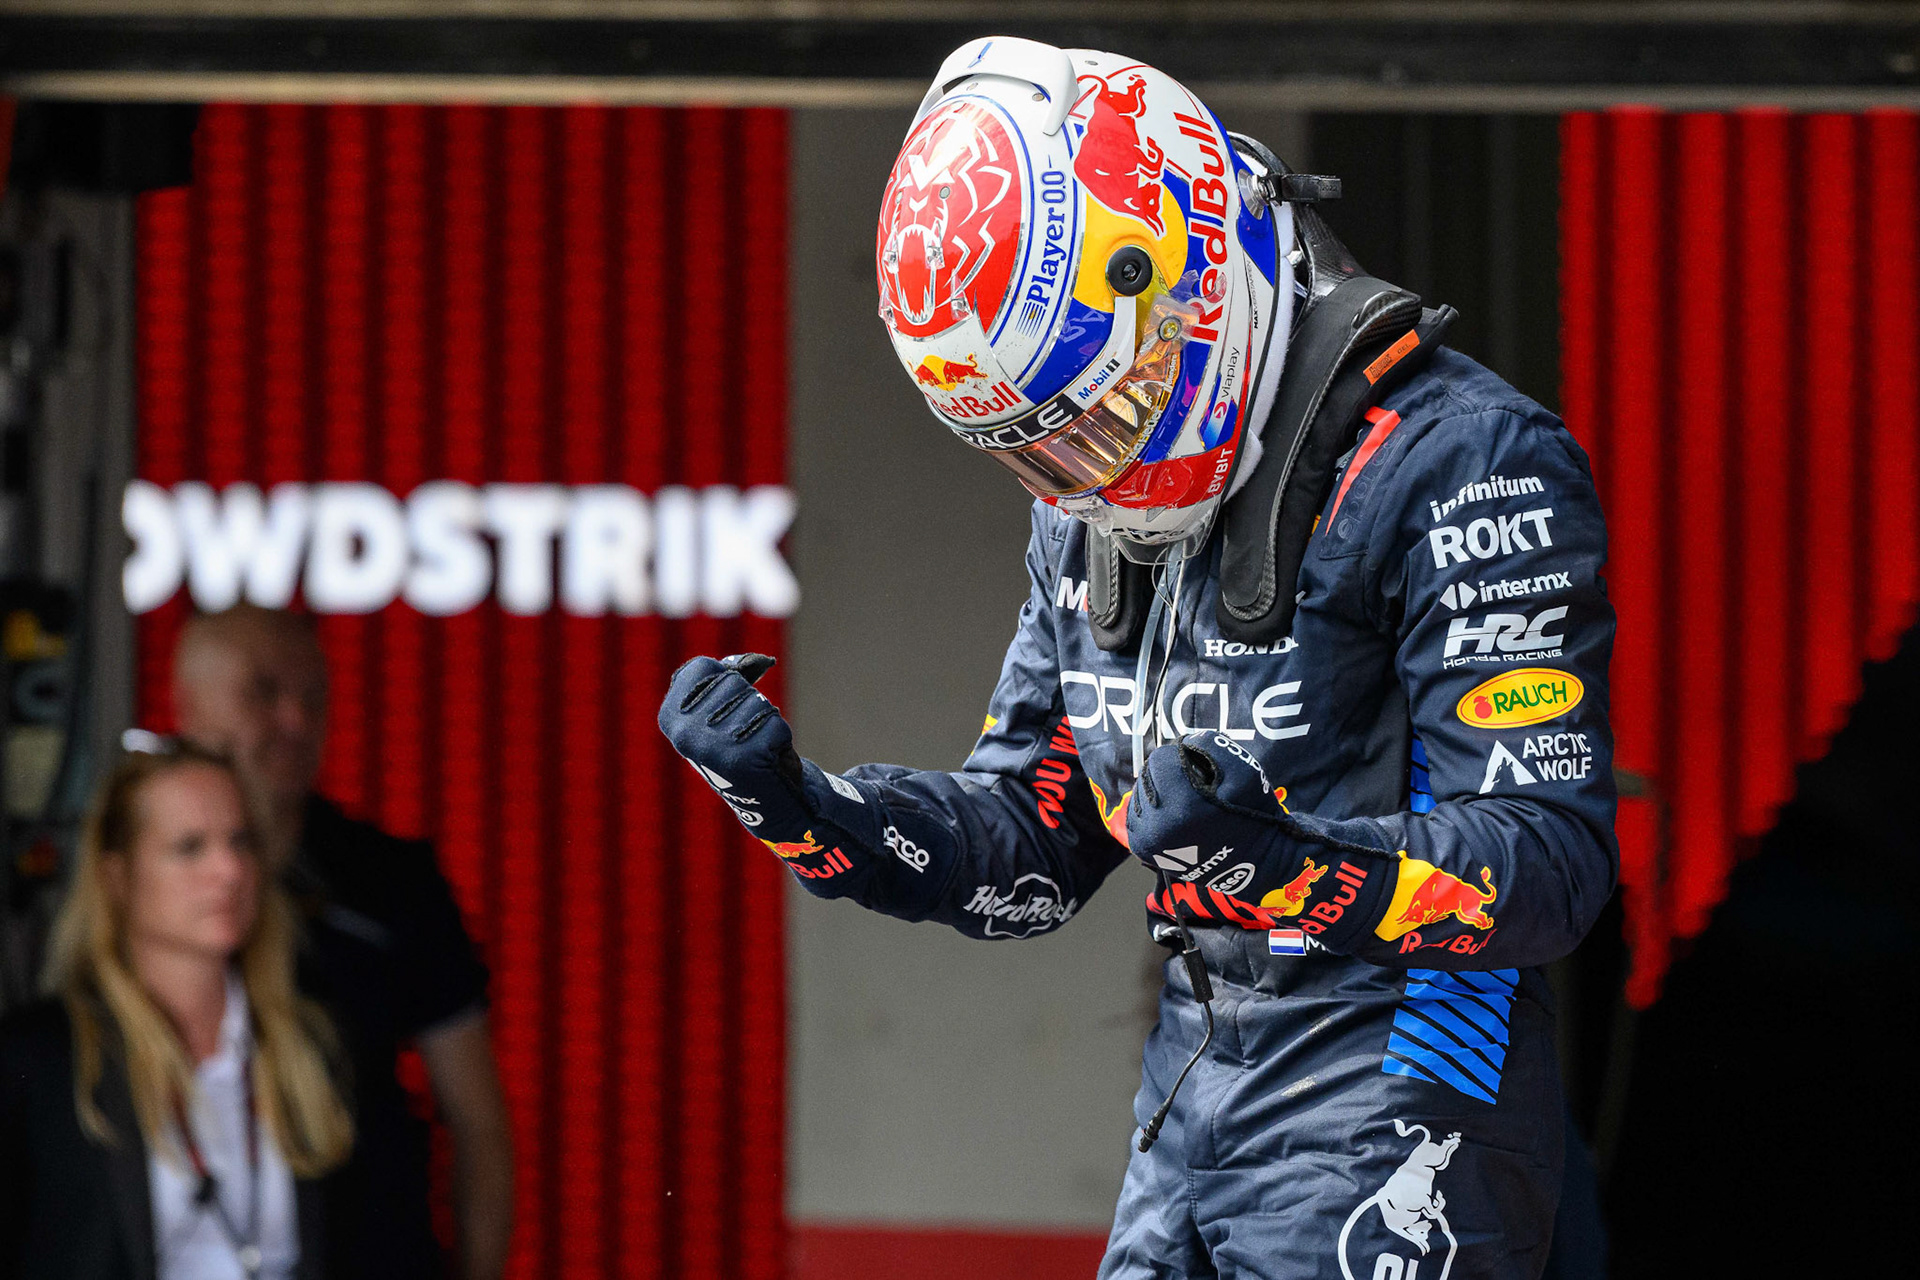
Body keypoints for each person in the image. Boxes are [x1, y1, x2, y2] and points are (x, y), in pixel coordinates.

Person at [660, 37, 1617, 1280]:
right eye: (1043, 452)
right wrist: (816, 816)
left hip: (1406, 1093)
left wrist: (1284, 864)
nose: (1093, 474)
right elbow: (1039, 841)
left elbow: (1549, 862)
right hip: (1191, 1099)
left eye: (1108, 413)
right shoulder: (1090, 513)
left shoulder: (1465, 461)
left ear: (1193, 278)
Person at [172, 607, 511, 1280]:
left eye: (314, 699)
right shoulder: (119, 870)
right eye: (263, 692)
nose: (294, 722)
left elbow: (478, 1123)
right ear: (185, 704)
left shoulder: (391, 882)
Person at [0, 743, 353, 1279]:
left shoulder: (309, 1044)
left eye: (240, 842)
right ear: (118, 878)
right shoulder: (41, 1058)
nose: (229, 869)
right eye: (190, 847)